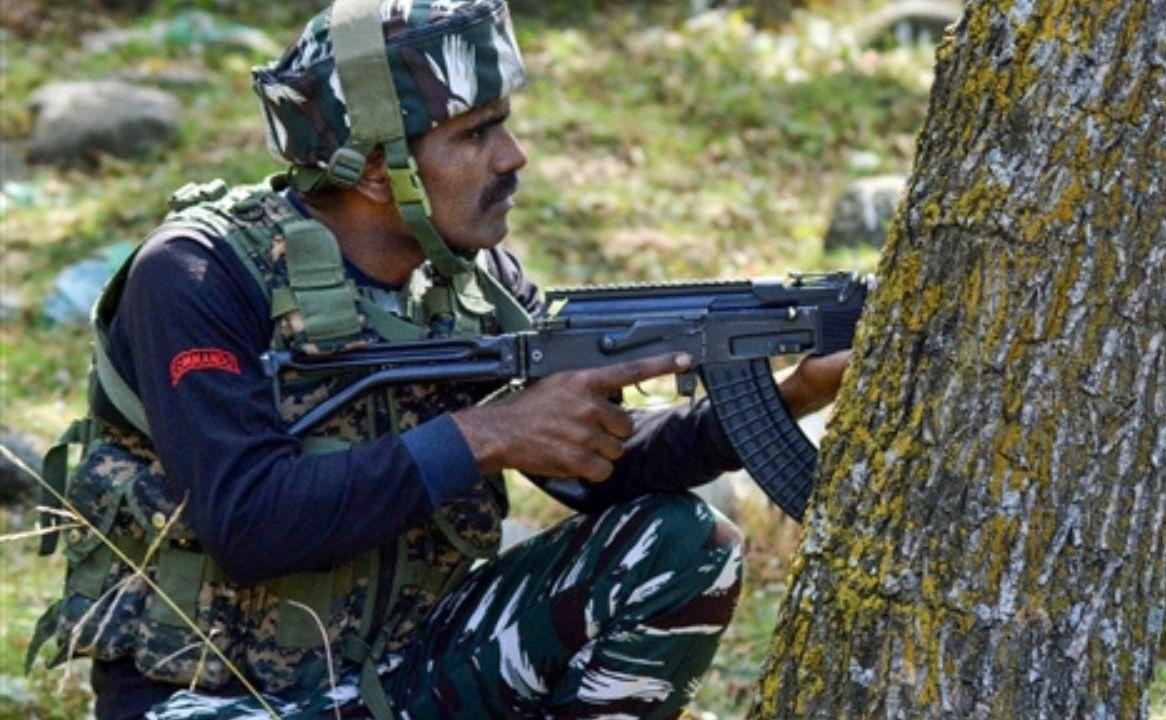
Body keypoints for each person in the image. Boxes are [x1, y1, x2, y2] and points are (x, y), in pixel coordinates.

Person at [28, 1, 849, 718]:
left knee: (678, 543)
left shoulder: (470, 282)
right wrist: (487, 434)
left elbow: (592, 470)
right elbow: (249, 522)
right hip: (216, 693)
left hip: (407, 675)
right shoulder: (201, 276)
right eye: (476, 134)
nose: (513, 156)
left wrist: (790, 393)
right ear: (380, 170)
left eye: (503, 124)